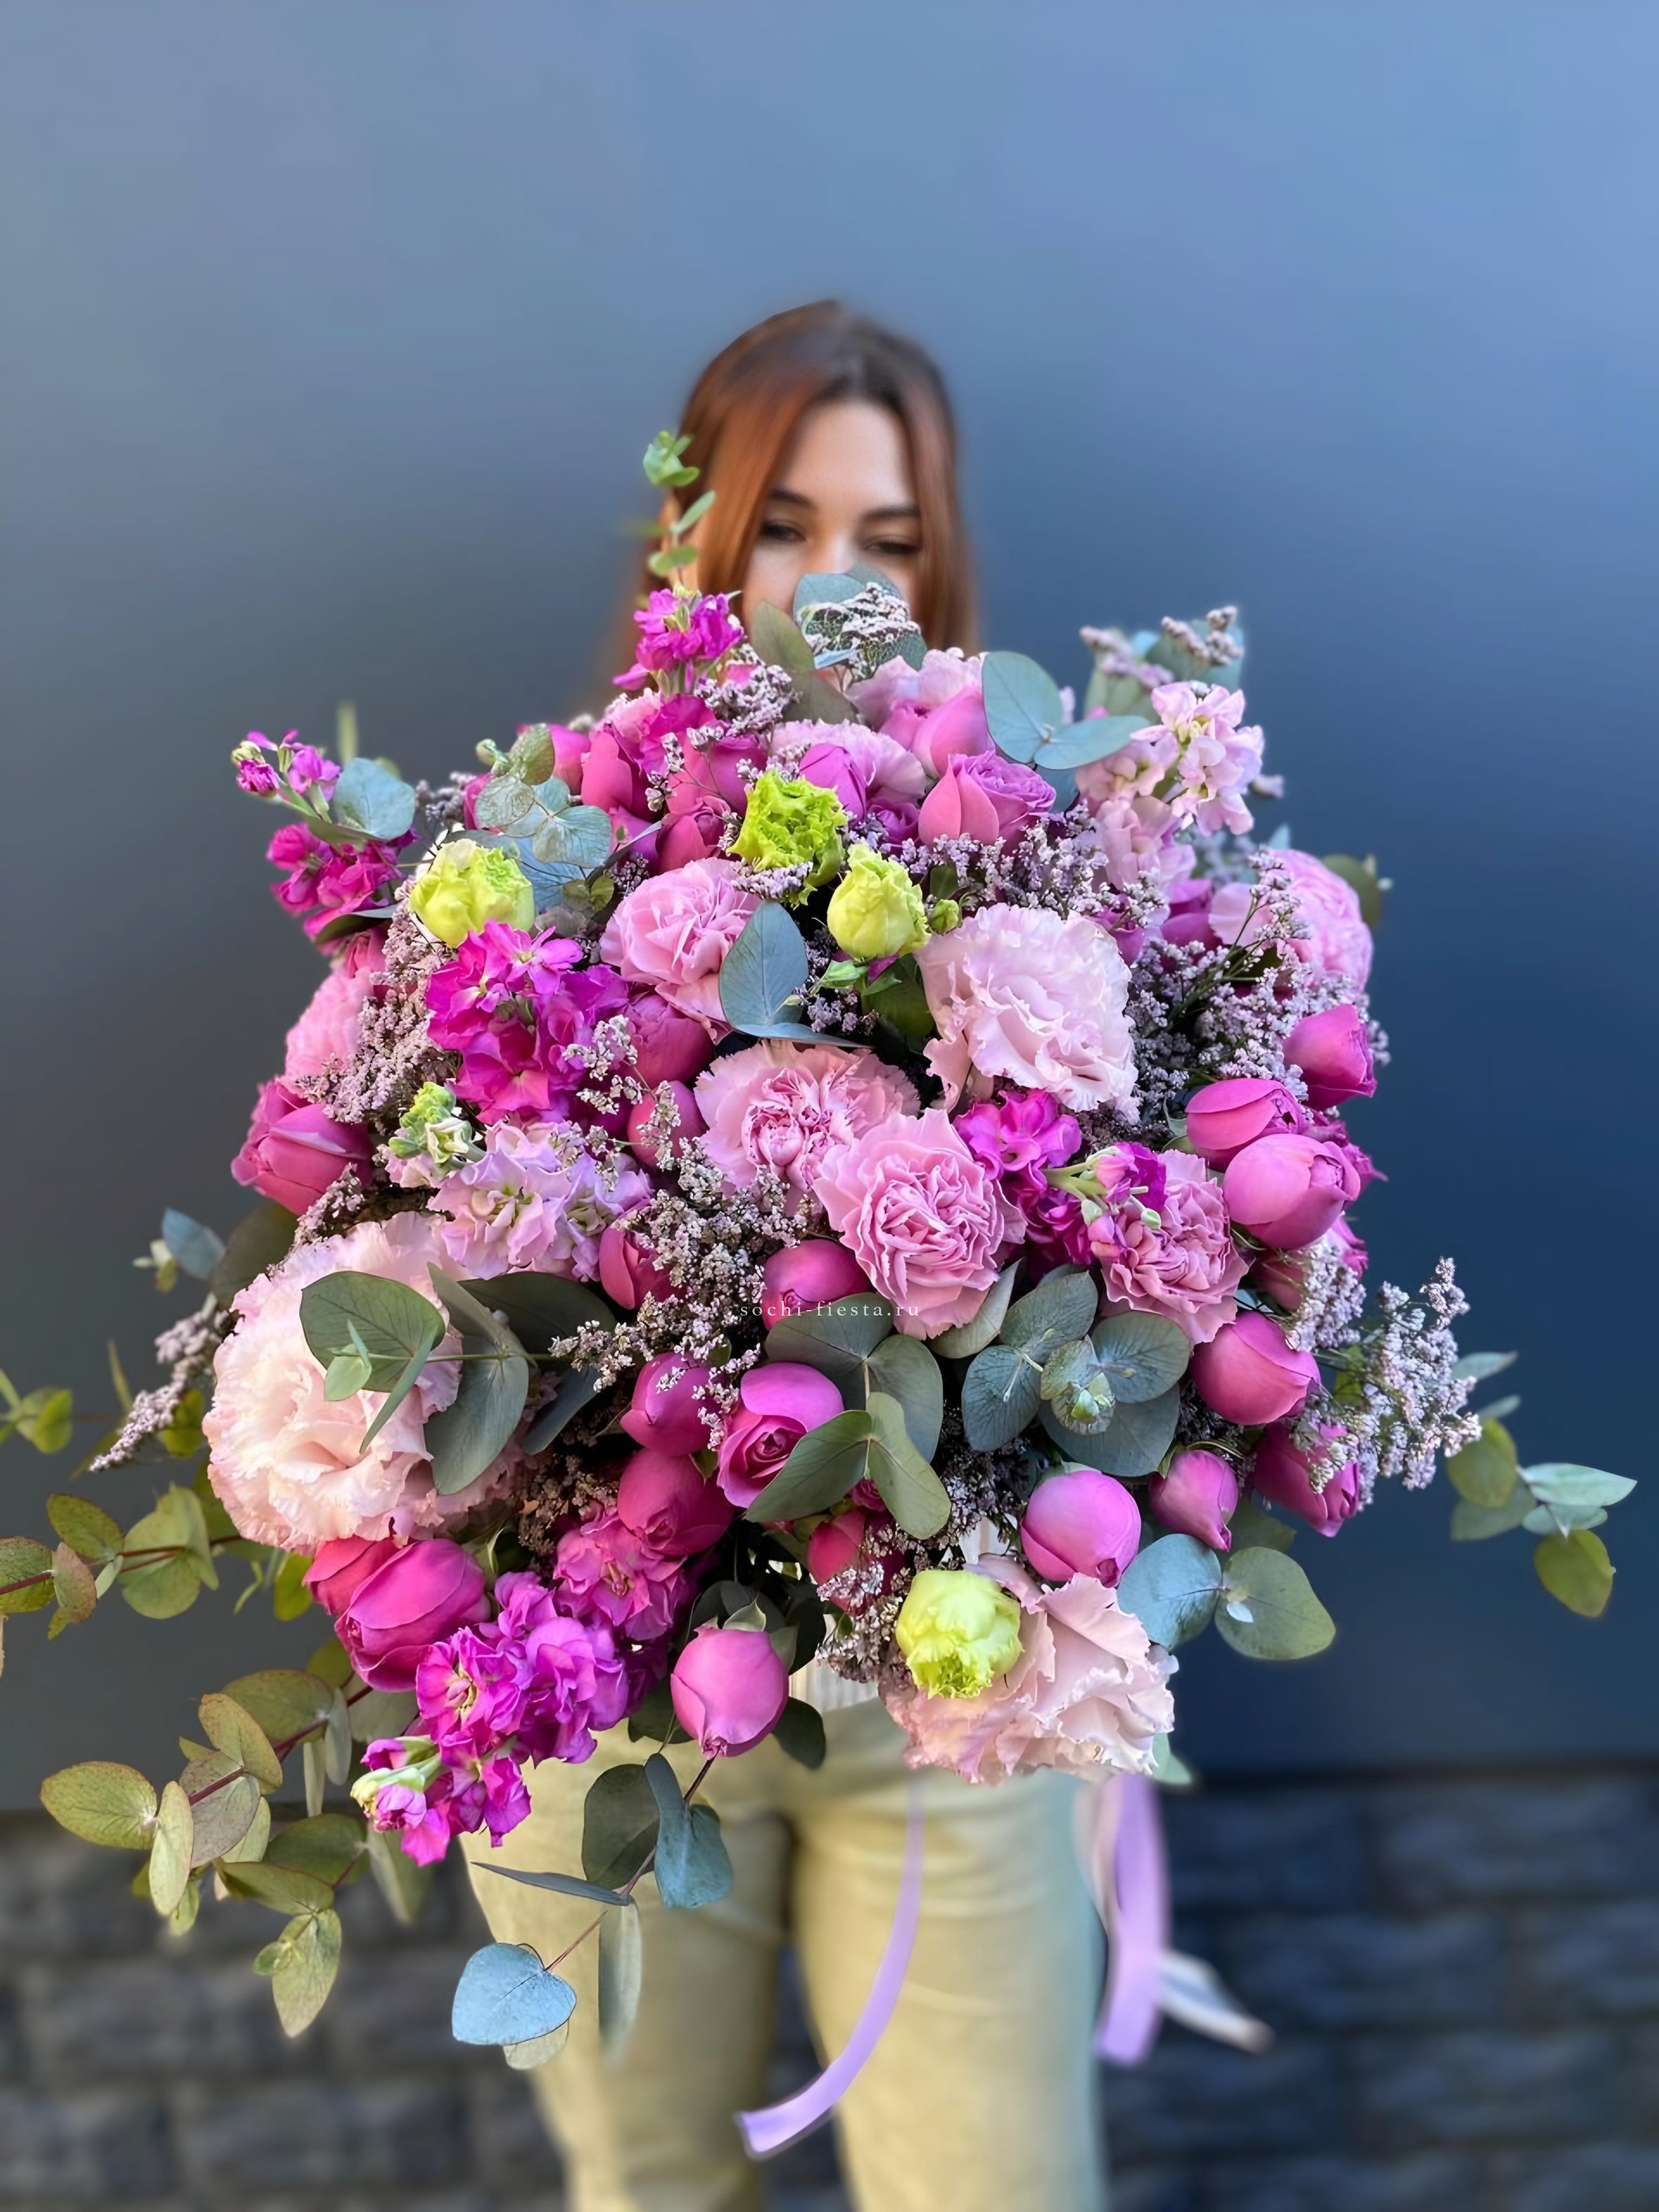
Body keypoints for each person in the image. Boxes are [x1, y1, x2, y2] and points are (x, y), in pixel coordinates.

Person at [461, 302, 1109, 2212]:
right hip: (613, 1676)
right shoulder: (544, 857)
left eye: (888, 540)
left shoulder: (1044, 874)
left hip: (942, 1684)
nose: (837, 582)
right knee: (648, 2184)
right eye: (788, 527)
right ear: (704, 544)